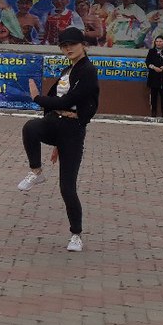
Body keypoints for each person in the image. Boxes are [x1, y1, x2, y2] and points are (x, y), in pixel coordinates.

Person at [17, 27, 100, 253]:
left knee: (67, 187)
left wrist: (37, 98)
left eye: (72, 44)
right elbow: (56, 99)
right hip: (56, 122)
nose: (68, 49)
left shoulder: (88, 70)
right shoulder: (67, 70)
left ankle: (76, 235)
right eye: (64, 46)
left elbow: (68, 101)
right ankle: (36, 172)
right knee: (31, 128)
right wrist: (55, 143)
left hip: (73, 129)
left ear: (83, 45)